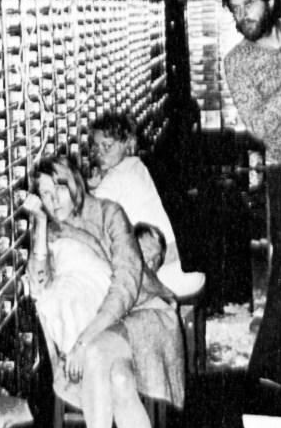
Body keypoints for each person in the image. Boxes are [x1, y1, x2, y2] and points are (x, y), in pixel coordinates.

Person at [24, 155, 184, 428]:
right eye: (45, 194)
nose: (54, 200)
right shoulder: (52, 230)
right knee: (120, 379)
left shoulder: (110, 214)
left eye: (60, 188)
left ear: (75, 183)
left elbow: (126, 286)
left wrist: (83, 341)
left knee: (96, 352)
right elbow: (39, 282)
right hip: (104, 325)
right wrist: (38, 222)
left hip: (144, 314)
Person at [217, 0, 281, 392]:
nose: (243, 14)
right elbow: (261, 125)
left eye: (250, 3)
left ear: (270, 2)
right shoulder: (237, 62)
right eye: (235, 9)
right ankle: (265, 371)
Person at [88, 112, 205, 300]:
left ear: (128, 144)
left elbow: (89, 218)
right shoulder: (138, 166)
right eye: (95, 147)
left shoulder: (115, 178)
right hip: (183, 267)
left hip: (167, 278)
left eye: (107, 147)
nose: (99, 154)